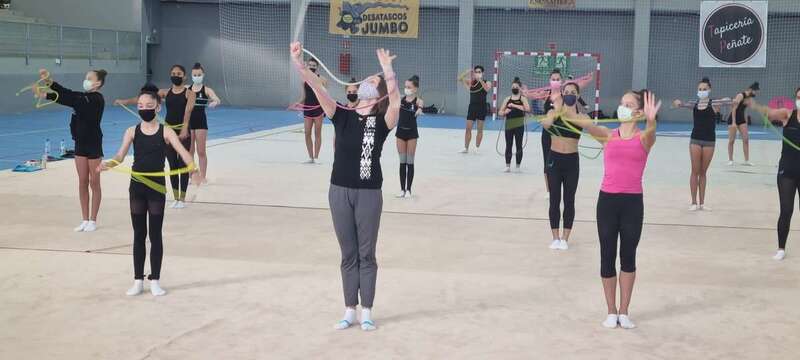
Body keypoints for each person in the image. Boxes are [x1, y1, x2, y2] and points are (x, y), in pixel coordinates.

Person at [291, 41, 400, 331]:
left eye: (373, 81)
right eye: (369, 78)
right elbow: (317, 88)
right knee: (348, 253)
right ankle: (349, 308)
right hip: (339, 191)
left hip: (368, 194)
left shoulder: (383, 122)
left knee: (367, 253)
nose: (368, 80)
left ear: (377, 95)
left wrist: (388, 72)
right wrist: (300, 63)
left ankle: (367, 310)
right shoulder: (341, 115)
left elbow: (397, 101)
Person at [565, 90, 661, 329]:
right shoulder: (608, 135)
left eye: (628, 104)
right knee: (607, 256)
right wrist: (565, 103)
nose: (622, 107)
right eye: (621, 103)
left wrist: (651, 119)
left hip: (632, 204)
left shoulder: (643, 138)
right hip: (607, 202)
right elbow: (585, 123)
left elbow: (651, 133)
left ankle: (624, 311)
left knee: (628, 257)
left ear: (638, 112)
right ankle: (610, 311)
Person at [99, 84, 197, 296]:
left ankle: (155, 279)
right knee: (138, 234)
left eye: (149, 105)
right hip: (137, 185)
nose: (144, 108)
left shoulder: (166, 131)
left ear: (158, 107)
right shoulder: (131, 131)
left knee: (155, 234)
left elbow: (183, 151)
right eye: (141, 105)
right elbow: (119, 157)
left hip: (156, 187)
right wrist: (107, 165)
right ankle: (137, 280)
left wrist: (193, 169)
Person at [37, 68, 107, 232]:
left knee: (94, 183)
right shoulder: (81, 97)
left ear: (97, 83)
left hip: (94, 144)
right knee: (82, 181)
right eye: (85, 77)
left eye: (89, 78)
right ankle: (84, 219)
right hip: (80, 145)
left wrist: (46, 95)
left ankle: (93, 220)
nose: (86, 80)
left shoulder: (96, 99)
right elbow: (66, 93)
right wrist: (49, 82)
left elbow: (71, 99)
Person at [115, 65, 195, 208]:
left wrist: (184, 129)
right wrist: (124, 101)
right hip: (168, 131)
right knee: (172, 165)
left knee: (182, 164)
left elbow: (188, 111)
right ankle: (176, 198)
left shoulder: (190, 93)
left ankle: (182, 198)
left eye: (178, 73)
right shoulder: (165, 92)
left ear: (184, 76)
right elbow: (145, 98)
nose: (175, 75)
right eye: (173, 73)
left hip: (183, 132)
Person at [746, 89, 800, 261]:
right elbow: (769, 113)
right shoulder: (787, 114)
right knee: (786, 210)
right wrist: (755, 106)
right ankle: (781, 248)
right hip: (787, 171)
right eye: (799, 97)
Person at [539, 82, 586, 250]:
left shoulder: (582, 117)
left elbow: (591, 127)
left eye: (573, 92)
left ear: (578, 96)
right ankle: (555, 237)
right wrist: (556, 111)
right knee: (554, 199)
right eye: (566, 92)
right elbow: (546, 124)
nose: (569, 94)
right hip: (555, 160)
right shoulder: (554, 112)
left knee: (569, 200)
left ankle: (565, 238)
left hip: (572, 161)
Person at [673, 77, 726, 211]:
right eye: (700, 89)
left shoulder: (715, 104)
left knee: (703, 172)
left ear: (709, 90)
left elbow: (726, 100)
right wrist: (678, 103)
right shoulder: (694, 104)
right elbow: (681, 104)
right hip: (695, 140)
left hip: (709, 141)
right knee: (694, 171)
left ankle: (702, 203)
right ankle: (693, 202)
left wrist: (733, 100)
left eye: (704, 89)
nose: (702, 91)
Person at [188, 62, 220, 182]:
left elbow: (217, 98)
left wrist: (215, 102)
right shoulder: (187, 89)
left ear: (203, 75)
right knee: (190, 151)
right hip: (188, 122)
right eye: (194, 75)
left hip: (201, 122)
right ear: (191, 75)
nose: (197, 76)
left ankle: (202, 176)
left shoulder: (206, 90)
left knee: (201, 151)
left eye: (199, 74)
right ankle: (191, 176)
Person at [396, 75, 423, 198]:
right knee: (402, 161)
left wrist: (419, 110)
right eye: (405, 86)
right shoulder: (400, 100)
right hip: (400, 133)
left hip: (412, 134)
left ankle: (409, 190)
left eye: (409, 87)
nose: (406, 89)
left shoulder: (418, 101)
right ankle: (402, 189)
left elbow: (421, 106)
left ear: (415, 89)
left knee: (410, 161)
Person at [297, 58, 328, 164]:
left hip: (318, 109)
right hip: (308, 108)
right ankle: (310, 157)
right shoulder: (304, 80)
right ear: (307, 66)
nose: (312, 67)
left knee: (317, 133)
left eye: (314, 65)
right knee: (307, 133)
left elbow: (325, 96)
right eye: (310, 65)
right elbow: (304, 96)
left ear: (317, 67)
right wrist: (299, 103)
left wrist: (326, 108)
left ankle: (317, 157)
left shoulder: (323, 79)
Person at [497, 77, 530, 172]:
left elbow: (527, 109)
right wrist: (504, 112)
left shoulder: (523, 99)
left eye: (516, 87)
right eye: (513, 87)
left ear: (519, 88)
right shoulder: (507, 99)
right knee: (509, 144)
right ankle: (507, 166)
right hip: (509, 124)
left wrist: (514, 105)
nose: (514, 88)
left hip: (519, 124)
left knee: (519, 144)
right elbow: (500, 112)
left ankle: (518, 166)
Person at [460, 65, 491, 153]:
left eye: (479, 72)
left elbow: (487, 89)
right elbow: (459, 79)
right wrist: (467, 72)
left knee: (479, 129)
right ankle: (466, 148)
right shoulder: (471, 82)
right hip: (472, 107)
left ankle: (477, 147)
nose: (477, 73)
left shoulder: (487, 82)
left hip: (482, 107)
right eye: (476, 72)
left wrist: (480, 79)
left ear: (482, 73)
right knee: (468, 128)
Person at [726, 82, 758, 166]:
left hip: (741, 120)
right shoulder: (740, 95)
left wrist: (746, 121)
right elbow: (734, 108)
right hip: (733, 118)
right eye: (755, 91)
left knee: (746, 139)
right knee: (731, 141)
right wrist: (733, 122)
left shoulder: (749, 98)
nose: (756, 93)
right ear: (751, 90)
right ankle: (730, 160)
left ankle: (746, 160)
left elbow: (744, 110)